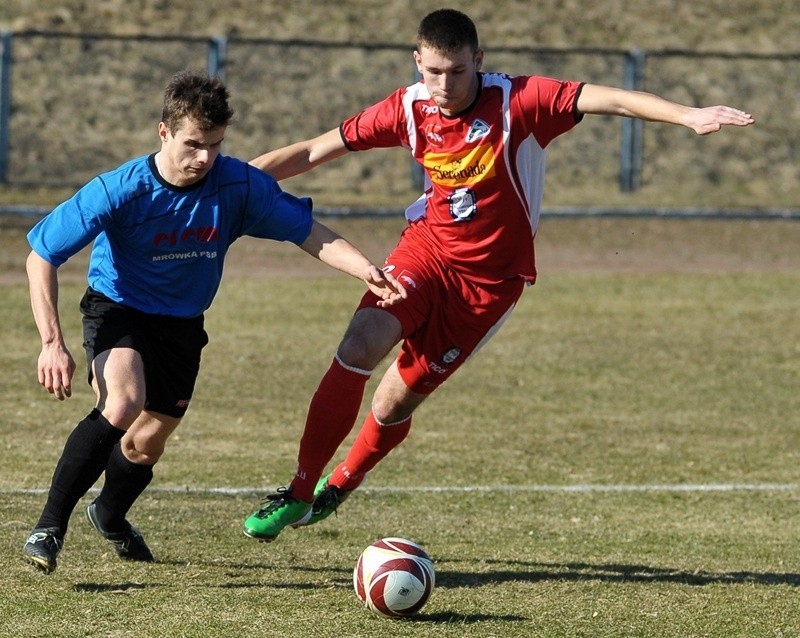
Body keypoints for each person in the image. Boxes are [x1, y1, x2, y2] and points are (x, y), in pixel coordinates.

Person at [241, 8, 755, 542]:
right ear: (417, 62)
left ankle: (340, 486)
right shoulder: (408, 107)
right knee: (360, 344)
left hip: (488, 286)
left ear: (478, 62)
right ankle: (299, 494)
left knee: (395, 400)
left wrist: (688, 114)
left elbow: (614, 98)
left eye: (457, 72)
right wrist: (231, 177)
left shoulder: (520, 101)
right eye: (432, 71)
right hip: (425, 252)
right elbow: (311, 150)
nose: (442, 85)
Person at [22, 70, 406, 574]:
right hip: (119, 308)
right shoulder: (120, 189)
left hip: (183, 324)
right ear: (165, 133)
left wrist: (365, 268)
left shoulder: (237, 185)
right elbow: (41, 255)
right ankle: (48, 528)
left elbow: (309, 232)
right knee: (123, 402)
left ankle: (110, 514)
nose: (204, 158)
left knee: (146, 441)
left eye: (216, 145)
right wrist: (51, 341)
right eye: (194, 144)